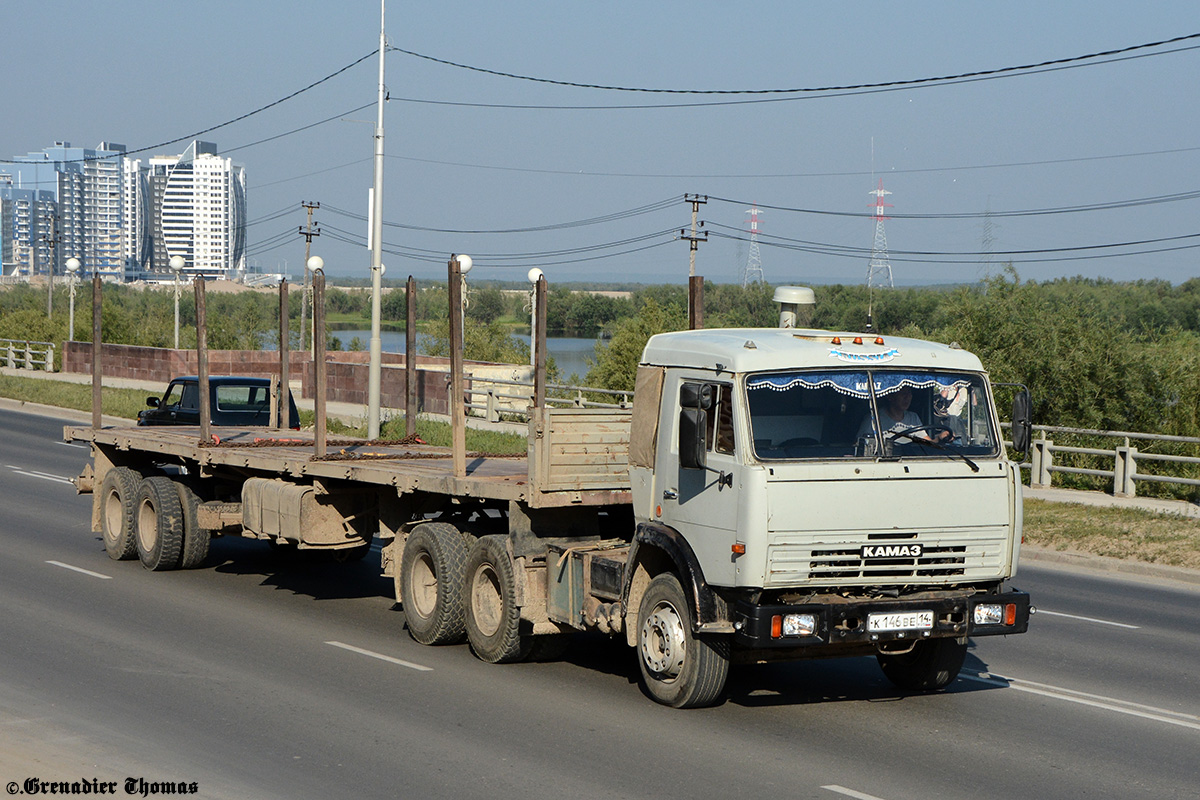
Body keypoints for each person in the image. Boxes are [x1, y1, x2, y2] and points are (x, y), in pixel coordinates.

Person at [857, 385, 952, 446]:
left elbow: (928, 444)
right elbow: (859, 446)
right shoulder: (873, 419)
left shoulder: (913, 417)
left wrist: (940, 438)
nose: (907, 397)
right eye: (903, 394)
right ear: (890, 397)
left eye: (909, 393)